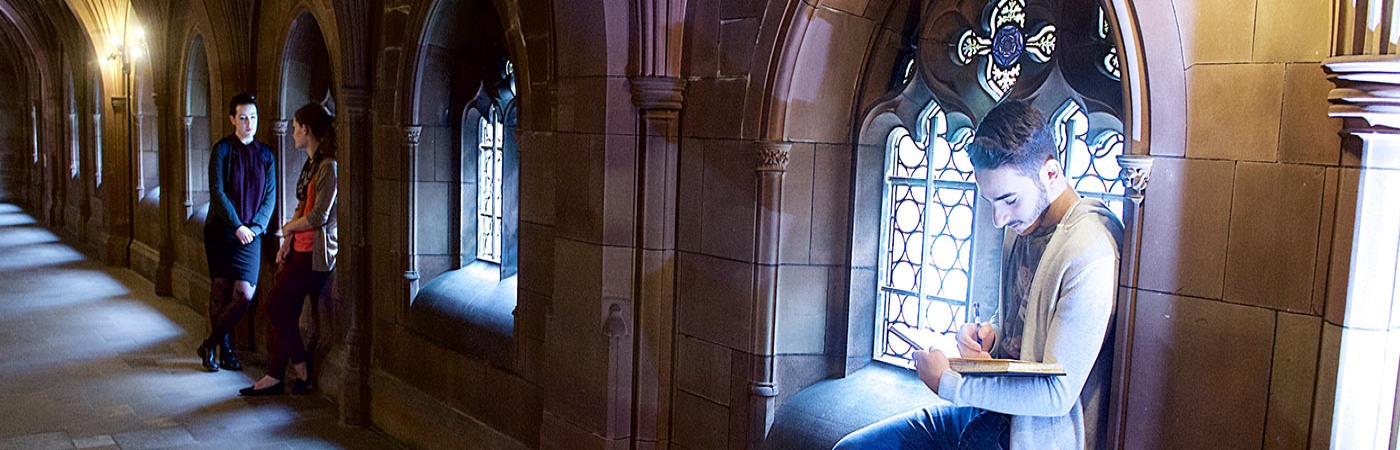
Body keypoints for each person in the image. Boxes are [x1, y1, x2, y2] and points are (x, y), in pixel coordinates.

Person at [834, 101, 1123, 449]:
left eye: (1009, 199)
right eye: (990, 202)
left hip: (1025, 436)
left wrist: (949, 383)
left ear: (1050, 174)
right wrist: (989, 334)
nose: (998, 219)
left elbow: (1057, 393)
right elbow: (1020, 318)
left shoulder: (1090, 250)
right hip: (983, 411)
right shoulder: (1025, 223)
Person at [239, 102, 338, 396]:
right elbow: (300, 208)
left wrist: (289, 228)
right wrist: (287, 243)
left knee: (274, 304)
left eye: (295, 128)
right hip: (300, 249)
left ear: (306, 130)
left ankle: (300, 365)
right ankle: (274, 376)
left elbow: (319, 215)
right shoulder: (311, 165)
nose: (292, 133)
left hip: (316, 255)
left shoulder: (329, 167)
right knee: (287, 309)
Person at [198, 93, 275, 373]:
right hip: (222, 231)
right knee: (219, 291)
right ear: (232, 119)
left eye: (253, 117)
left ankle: (209, 344)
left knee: (243, 294)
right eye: (242, 117)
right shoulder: (222, 150)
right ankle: (226, 351)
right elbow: (217, 192)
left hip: (251, 236)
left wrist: (253, 229)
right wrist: (237, 226)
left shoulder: (266, 154)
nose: (248, 123)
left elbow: (270, 197)